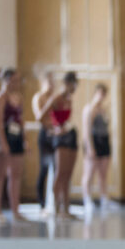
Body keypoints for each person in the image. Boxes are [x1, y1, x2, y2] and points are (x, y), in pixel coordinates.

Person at [41, 71, 79, 220]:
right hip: (60, 138)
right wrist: (54, 127)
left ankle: (66, 209)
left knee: (67, 175)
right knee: (60, 173)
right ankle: (56, 208)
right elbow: (41, 116)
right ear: (67, 84)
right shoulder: (56, 98)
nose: (75, 88)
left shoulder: (69, 99)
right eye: (73, 84)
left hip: (70, 135)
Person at [0, 68, 27, 223]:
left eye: (18, 80)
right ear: (6, 80)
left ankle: (15, 209)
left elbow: (21, 120)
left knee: (16, 175)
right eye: (13, 80)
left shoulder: (19, 97)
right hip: (5, 136)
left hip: (17, 137)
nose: (16, 84)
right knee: (1, 175)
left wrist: (24, 140)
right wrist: (3, 143)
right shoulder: (0, 98)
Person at [81, 83, 113, 214]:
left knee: (103, 173)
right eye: (101, 93)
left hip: (104, 141)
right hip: (93, 141)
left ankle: (103, 198)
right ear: (96, 93)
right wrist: (90, 147)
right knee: (89, 172)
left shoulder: (103, 109)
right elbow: (86, 130)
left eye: (104, 94)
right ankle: (87, 199)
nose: (102, 96)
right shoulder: (89, 109)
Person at [33, 72, 56, 217]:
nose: (52, 85)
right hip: (45, 136)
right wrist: (49, 104)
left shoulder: (55, 98)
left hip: (55, 136)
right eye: (49, 82)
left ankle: (53, 202)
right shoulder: (38, 98)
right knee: (44, 170)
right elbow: (40, 118)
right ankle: (41, 203)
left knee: (57, 170)